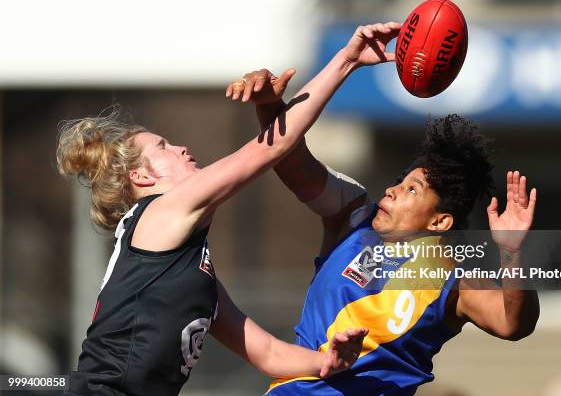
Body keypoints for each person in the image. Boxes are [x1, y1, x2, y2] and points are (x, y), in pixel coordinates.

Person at [56, 29, 384, 395]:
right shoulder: (161, 211)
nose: (180, 147)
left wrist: (328, 362)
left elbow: (269, 353)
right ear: (142, 176)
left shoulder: (196, 275)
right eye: (163, 147)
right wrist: (347, 60)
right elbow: (269, 150)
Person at [229, 22, 540, 395]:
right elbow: (293, 165)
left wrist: (511, 250)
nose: (392, 190)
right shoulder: (354, 218)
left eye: (412, 189)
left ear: (440, 220)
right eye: (400, 180)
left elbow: (512, 324)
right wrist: (269, 108)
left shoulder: (453, 281)